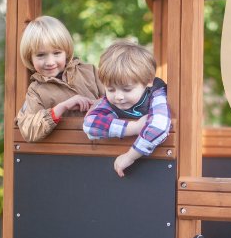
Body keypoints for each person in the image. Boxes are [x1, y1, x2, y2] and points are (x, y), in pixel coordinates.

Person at [83, 40, 171, 177]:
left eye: (127, 89)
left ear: (148, 81)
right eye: (110, 89)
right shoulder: (109, 100)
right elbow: (90, 125)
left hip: (158, 169)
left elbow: (159, 126)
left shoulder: (156, 92)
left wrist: (131, 156)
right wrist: (133, 128)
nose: (118, 96)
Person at [15, 16, 103, 143]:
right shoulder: (35, 91)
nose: (50, 62)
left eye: (56, 53)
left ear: (66, 52)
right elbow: (28, 129)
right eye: (40, 55)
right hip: (63, 153)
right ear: (30, 58)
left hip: (101, 147)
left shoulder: (90, 72)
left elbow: (118, 99)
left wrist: (97, 105)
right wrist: (62, 107)